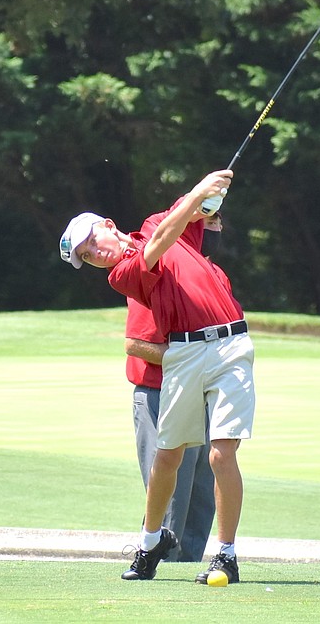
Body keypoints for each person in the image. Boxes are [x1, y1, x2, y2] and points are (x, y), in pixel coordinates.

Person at [59, 170, 254, 585]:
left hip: (232, 344)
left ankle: (226, 555)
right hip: (184, 352)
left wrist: (211, 197)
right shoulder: (124, 273)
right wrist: (197, 196)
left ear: (109, 226)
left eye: (93, 241)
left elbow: (192, 215)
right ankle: (150, 543)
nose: (96, 253)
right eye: (88, 256)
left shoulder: (153, 223)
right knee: (168, 457)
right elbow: (165, 235)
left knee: (222, 454)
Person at [124, 212, 223, 562]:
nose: (215, 229)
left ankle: (186, 562)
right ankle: (154, 558)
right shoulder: (157, 272)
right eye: (207, 223)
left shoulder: (213, 274)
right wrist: (190, 354)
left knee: (201, 491)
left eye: (217, 222)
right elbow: (136, 344)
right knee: (171, 489)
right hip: (158, 393)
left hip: (201, 392)